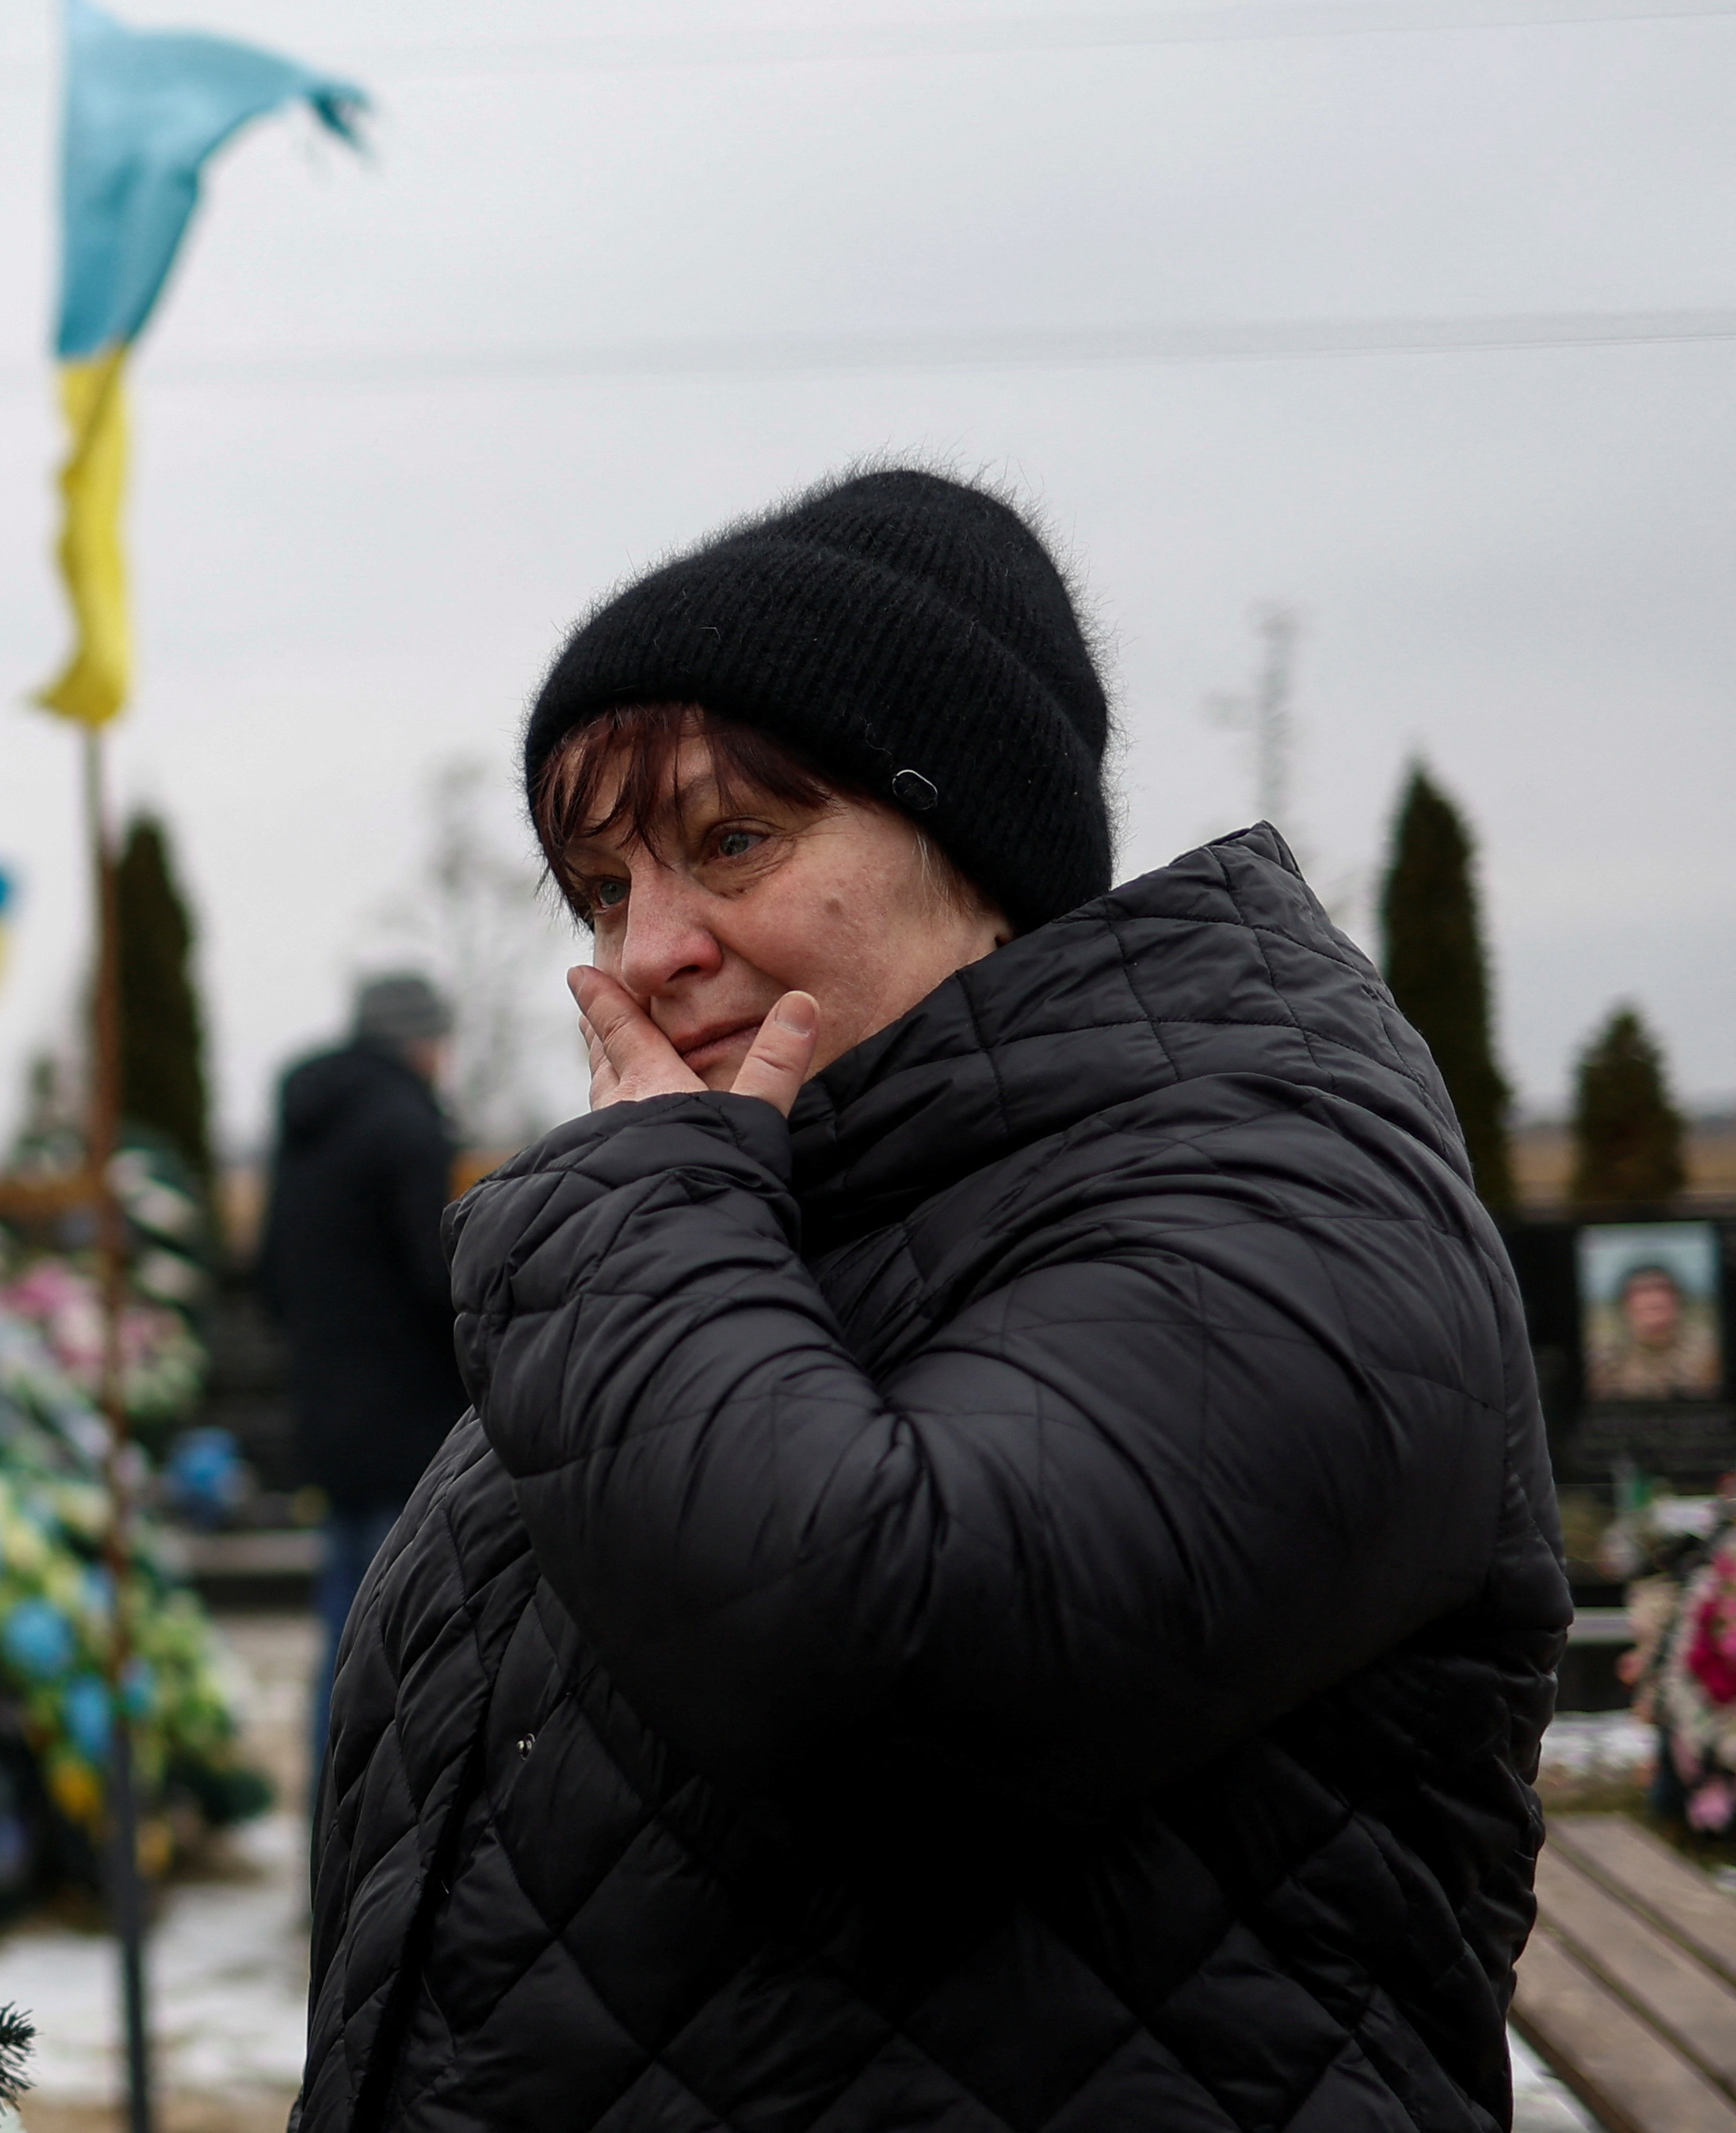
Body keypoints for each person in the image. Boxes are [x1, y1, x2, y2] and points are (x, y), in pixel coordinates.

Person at [299, 469, 1566, 2133]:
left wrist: (641, 1220)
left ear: (977, 848)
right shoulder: (732, 1224)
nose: (648, 948)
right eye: (605, 888)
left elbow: (883, 1657)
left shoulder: (1283, 1198)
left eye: (732, 840)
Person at [256, 969, 461, 1789]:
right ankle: (383, 1818)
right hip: (409, 1425)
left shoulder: (304, 1130)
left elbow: (271, 1280)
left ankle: (329, 1818)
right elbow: (437, 1278)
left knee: (344, 1634)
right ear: (419, 1040)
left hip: (328, 1424)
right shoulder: (406, 1125)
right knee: (405, 1640)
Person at [1591, 1258, 1720, 1401]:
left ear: (1678, 1301)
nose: (1654, 1300)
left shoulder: (1709, 1358)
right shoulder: (1604, 1365)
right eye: (1641, 1291)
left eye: (1662, 1289)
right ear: (1625, 1306)